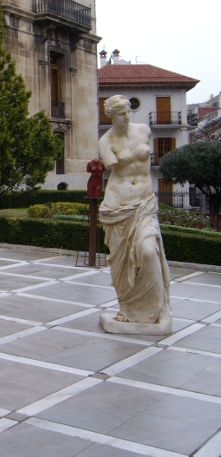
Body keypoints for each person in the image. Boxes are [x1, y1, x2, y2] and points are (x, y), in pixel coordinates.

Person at [98, 95, 171, 334]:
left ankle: (154, 309)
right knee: (123, 263)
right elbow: (110, 167)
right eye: (121, 114)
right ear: (111, 116)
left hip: (144, 204)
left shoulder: (144, 131)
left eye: (128, 112)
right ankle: (129, 309)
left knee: (149, 251)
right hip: (119, 207)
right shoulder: (106, 141)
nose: (126, 117)